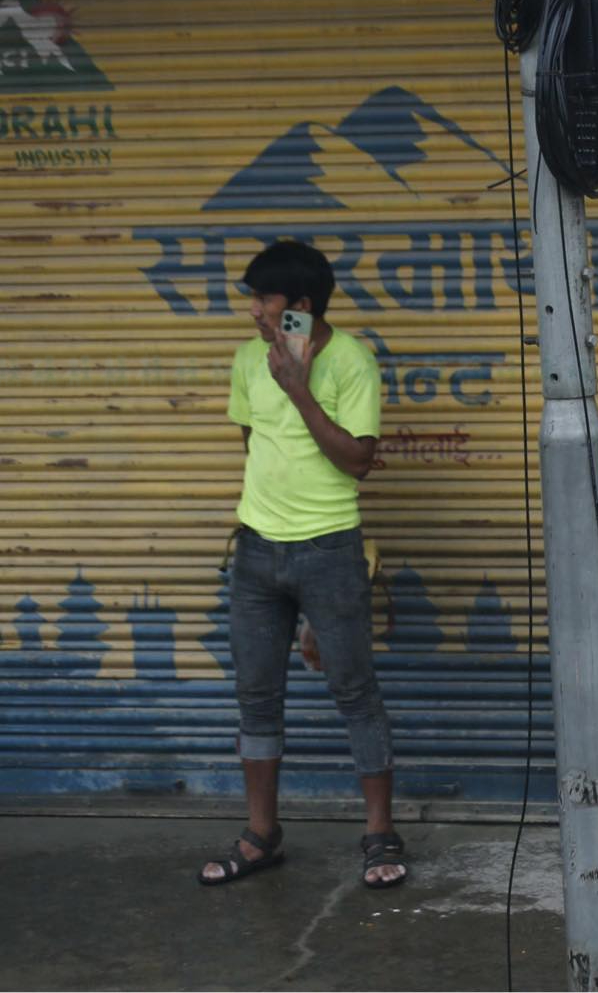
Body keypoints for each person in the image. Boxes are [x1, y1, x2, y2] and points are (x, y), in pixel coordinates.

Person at [199, 240, 405, 889]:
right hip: (258, 552)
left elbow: (358, 460)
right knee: (256, 699)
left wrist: (298, 391)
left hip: (330, 553)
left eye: (266, 300)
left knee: (355, 694)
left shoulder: (351, 363)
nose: (255, 311)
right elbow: (252, 445)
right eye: (254, 299)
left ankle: (379, 833)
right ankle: (261, 835)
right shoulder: (245, 362)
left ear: (303, 307)